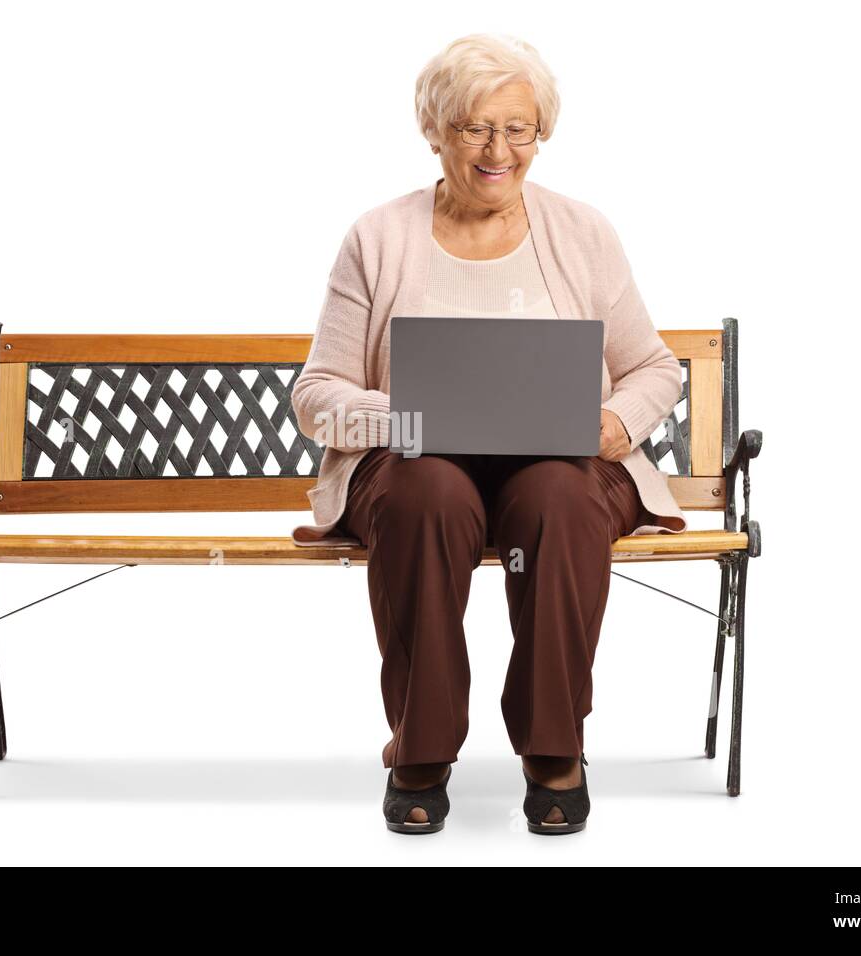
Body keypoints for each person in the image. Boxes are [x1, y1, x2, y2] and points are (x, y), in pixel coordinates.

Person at [290, 33, 688, 835]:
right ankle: (422, 748)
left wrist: (618, 420)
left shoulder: (582, 233)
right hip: (415, 464)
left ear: (541, 134)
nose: (498, 149)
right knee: (427, 492)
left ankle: (554, 749)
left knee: (557, 499)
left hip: (561, 466)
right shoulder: (378, 237)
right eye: (475, 127)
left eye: (519, 128)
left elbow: (657, 368)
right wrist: (412, 415)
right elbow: (316, 396)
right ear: (434, 131)